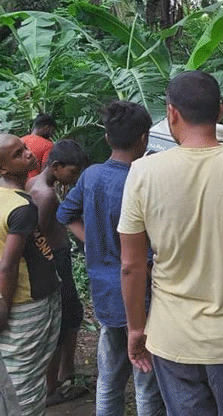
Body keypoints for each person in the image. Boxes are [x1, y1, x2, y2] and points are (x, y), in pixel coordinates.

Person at [118, 71, 223, 416]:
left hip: (172, 337)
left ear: (171, 114)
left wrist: (136, 327)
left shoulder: (142, 172)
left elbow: (131, 265)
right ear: (220, 112)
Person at [56, 102, 164, 416]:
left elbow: (67, 213)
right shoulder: (144, 180)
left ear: (107, 138)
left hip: (104, 291)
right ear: (144, 139)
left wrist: (94, 242)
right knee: (146, 379)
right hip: (141, 292)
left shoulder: (91, 176)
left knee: (110, 375)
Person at [0, 134, 61, 416]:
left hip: (32, 296)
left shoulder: (8, 198)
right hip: (28, 300)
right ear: (3, 169)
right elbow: (8, 265)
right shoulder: (21, 207)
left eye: (24, 148)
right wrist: (5, 303)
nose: (27, 153)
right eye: (17, 154)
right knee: (25, 379)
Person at [25, 139, 88, 405]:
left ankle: (64, 373)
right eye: (72, 173)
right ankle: (51, 389)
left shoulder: (43, 184)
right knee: (60, 323)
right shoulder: (46, 194)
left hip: (57, 259)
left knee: (73, 313)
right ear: (56, 166)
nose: (75, 178)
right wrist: (49, 271)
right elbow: (34, 236)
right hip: (54, 262)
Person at [22, 114, 57, 180]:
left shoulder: (20, 140)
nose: (51, 134)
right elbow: (45, 170)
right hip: (33, 185)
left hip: (16, 184)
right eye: (52, 131)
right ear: (46, 128)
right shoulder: (48, 145)